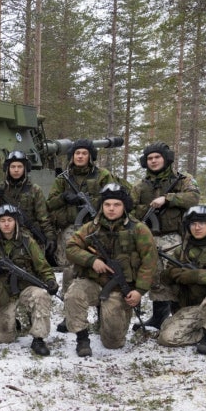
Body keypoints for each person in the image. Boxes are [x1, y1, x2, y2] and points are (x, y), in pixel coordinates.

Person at [64, 184, 158, 357]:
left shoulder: (138, 229)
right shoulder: (91, 227)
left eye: (117, 205)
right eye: (107, 205)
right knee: (74, 295)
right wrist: (91, 260)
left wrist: (139, 291)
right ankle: (82, 338)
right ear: (102, 206)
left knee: (113, 343)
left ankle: (106, 317)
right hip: (93, 282)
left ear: (124, 206)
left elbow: (149, 262)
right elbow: (70, 248)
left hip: (119, 289)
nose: (111, 209)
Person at [46, 140, 130, 326]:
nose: (80, 156)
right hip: (73, 228)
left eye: (84, 153)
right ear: (72, 156)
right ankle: (71, 315)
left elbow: (115, 198)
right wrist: (64, 197)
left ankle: (103, 312)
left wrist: (95, 202)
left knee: (104, 267)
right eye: (77, 153)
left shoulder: (103, 175)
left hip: (99, 227)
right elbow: (50, 203)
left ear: (90, 156)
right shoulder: (63, 179)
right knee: (69, 269)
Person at [131, 142, 201, 330]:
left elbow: (193, 197)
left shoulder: (183, 179)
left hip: (176, 237)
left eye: (157, 157)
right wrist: (147, 209)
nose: (153, 161)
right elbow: (129, 210)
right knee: (155, 275)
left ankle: (180, 316)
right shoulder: (140, 186)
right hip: (149, 236)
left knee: (175, 274)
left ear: (166, 159)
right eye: (150, 158)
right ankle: (158, 317)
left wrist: (168, 199)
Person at [0, 205, 58, 356]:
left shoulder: (27, 241)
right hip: (4, 293)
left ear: (16, 222)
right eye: (3, 220)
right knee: (3, 337)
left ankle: (38, 339)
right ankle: (12, 321)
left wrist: (51, 280)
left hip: (26, 288)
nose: (6, 224)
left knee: (41, 296)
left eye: (10, 220)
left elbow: (42, 265)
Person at [157, 206, 206, 355]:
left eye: (202, 223)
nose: (197, 227)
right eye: (193, 224)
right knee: (166, 338)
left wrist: (196, 276)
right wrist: (176, 274)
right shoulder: (180, 251)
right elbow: (164, 277)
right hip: (193, 307)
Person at [0, 150, 56, 261]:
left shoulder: (34, 190)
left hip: (28, 234)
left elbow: (43, 217)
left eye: (19, 166)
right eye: (13, 167)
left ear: (25, 168)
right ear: (7, 168)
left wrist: (50, 237)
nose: (16, 170)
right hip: (4, 232)